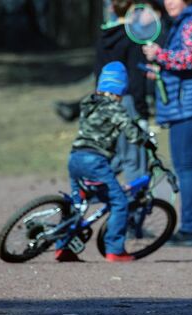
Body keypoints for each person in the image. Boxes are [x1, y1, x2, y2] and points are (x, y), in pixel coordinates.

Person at [56, 61, 157, 263]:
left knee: (78, 203)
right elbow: (130, 131)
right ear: (121, 88)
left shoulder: (88, 103)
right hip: (95, 161)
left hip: (75, 157)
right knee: (120, 202)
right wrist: (146, 140)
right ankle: (115, 249)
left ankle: (63, 247)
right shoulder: (115, 109)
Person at [142, 0, 192, 247]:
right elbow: (188, 63)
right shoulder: (190, 22)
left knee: (187, 169)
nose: (168, 2)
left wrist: (160, 55)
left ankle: (191, 229)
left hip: (190, 109)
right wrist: (161, 71)